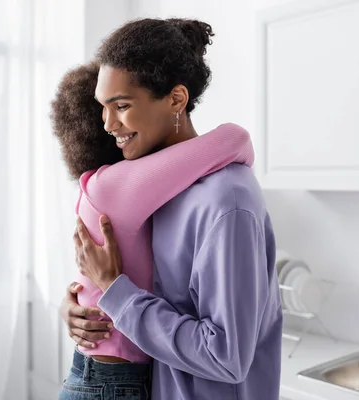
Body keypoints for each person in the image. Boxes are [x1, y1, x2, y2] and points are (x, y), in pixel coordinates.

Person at [62, 18, 283, 400]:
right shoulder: (157, 186)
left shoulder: (226, 202)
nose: (108, 124)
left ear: (176, 100)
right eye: (103, 107)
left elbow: (226, 357)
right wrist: (82, 309)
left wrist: (117, 294)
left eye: (123, 106)